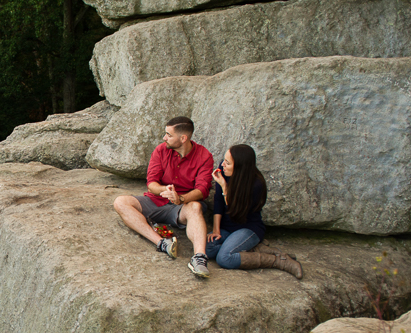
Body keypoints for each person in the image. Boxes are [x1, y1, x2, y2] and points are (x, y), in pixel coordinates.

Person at [113, 116, 214, 278]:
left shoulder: (204, 156)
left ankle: (199, 258)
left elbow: (202, 190)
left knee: (196, 206)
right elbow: (151, 183)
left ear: (183, 138)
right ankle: (161, 243)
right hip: (156, 201)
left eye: (169, 135)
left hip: (182, 207)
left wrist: (180, 199)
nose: (164, 138)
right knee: (121, 202)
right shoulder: (160, 150)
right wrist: (164, 190)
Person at [206, 144, 302, 278]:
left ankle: (277, 261)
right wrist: (216, 229)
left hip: (247, 229)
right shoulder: (224, 171)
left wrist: (224, 188)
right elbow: (218, 203)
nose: (222, 165)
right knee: (205, 249)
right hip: (227, 229)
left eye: (227, 163)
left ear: (239, 166)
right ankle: (255, 249)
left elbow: (235, 211)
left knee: (224, 258)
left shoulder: (256, 185)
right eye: (224, 160)